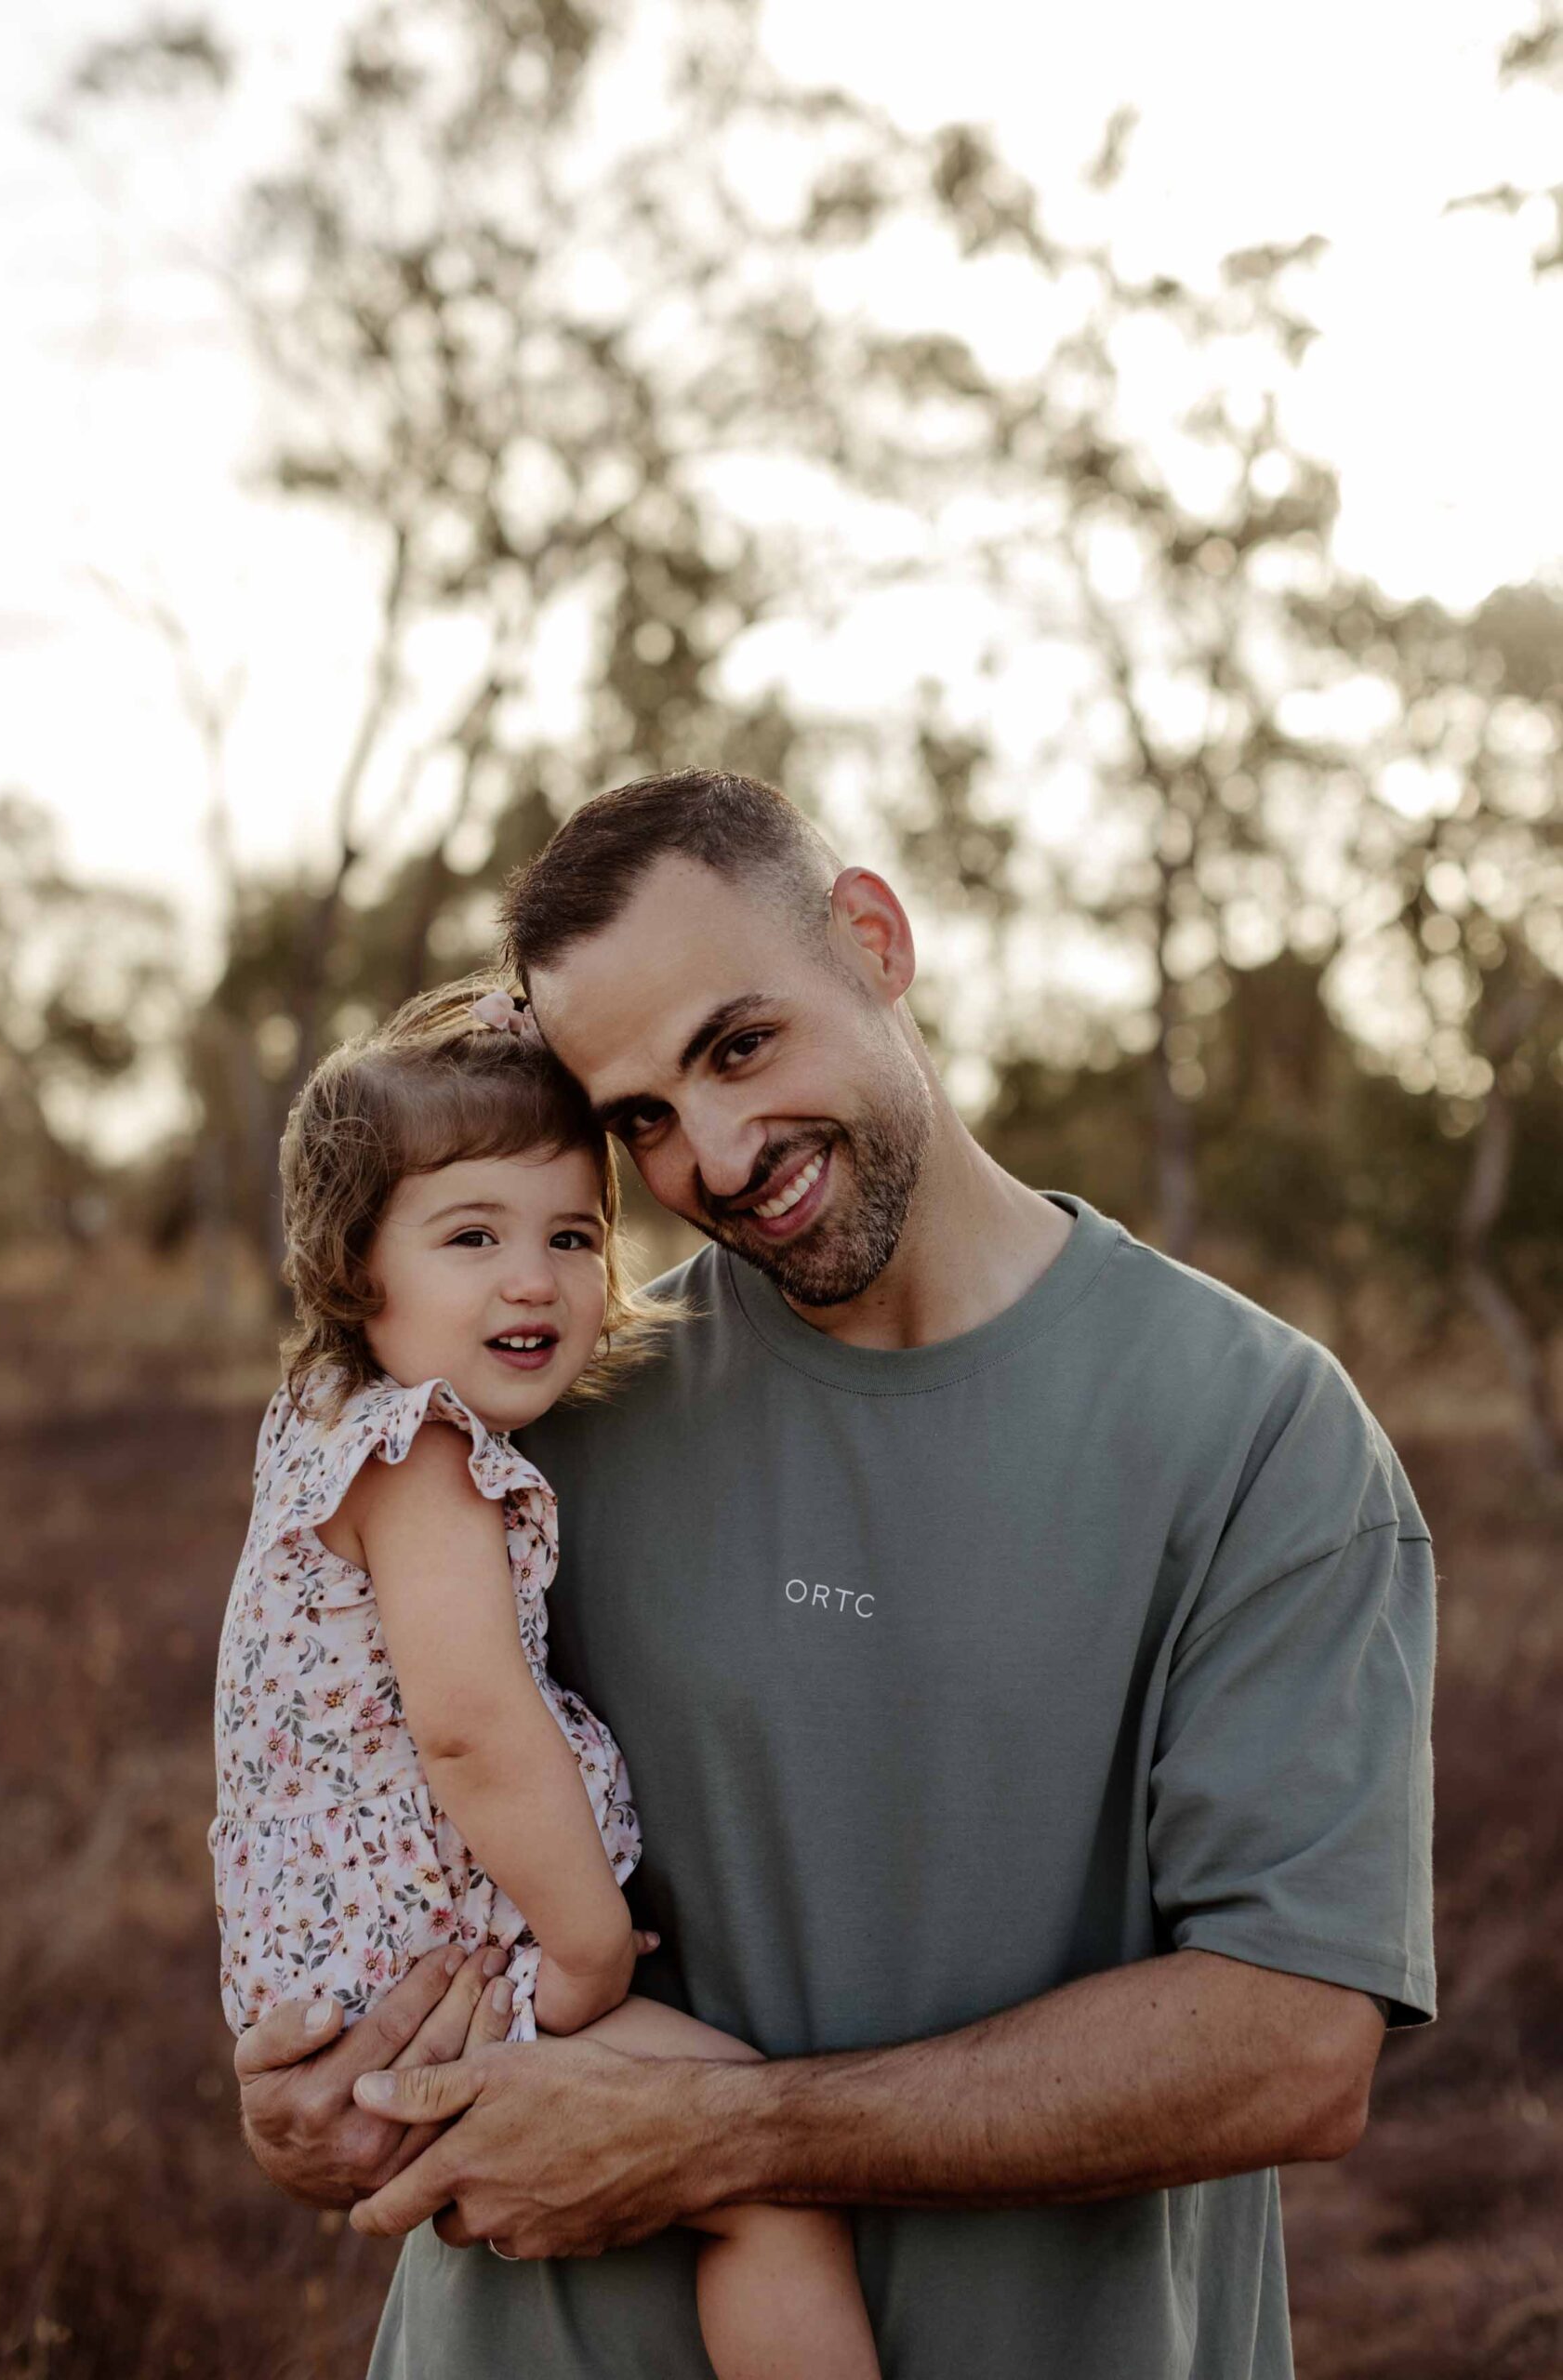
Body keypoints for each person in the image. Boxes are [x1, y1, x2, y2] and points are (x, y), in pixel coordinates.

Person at [234, 770, 1436, 2380]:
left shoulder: (1254, 1435)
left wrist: (727, 2138)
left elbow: (1292, 2048)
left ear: (873, 939)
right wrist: (314, 2094)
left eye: (740, 1045)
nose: (718, 1155)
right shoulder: (545, 1406)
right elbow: (352, 1782)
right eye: (640, 1119)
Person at [208, 977, 883, 2379]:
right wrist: (584, 1946)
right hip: (443, 1977)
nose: (534, 1279)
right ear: (355, 1265)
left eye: (573, 1235)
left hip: (344, 1976)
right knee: (768, 2183)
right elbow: (472, 1729)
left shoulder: (318, 1417)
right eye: (473, 1235)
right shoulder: (420, 1456)